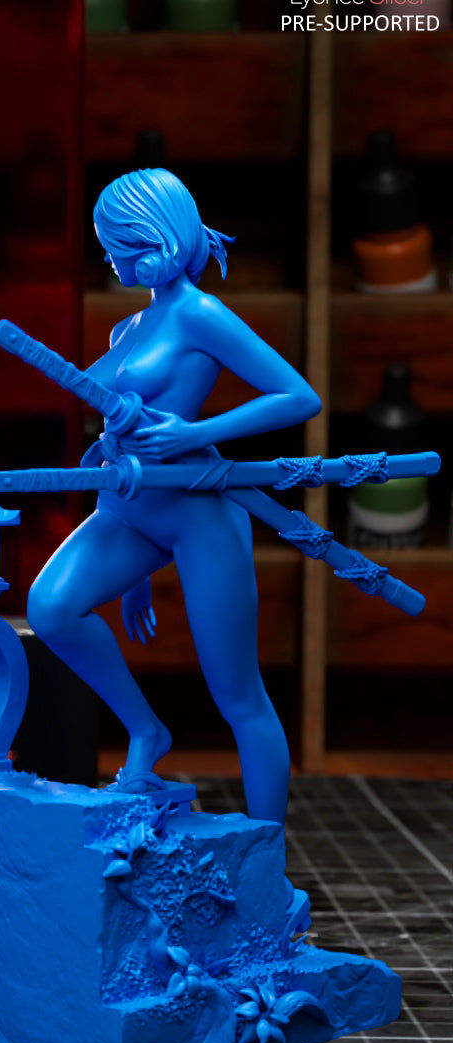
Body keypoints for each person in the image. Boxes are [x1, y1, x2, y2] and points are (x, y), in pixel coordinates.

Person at [26, 169, 321, 825]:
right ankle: (146, 731)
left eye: (117, 244)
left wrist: (196, 432)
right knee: (50, 608)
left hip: (196, 512)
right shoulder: (126, 329)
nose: (108, 259)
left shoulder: (199, 314)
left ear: (153, 237)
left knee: (239, 697)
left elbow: (298, 396)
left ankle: (267, 859)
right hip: (126, 508)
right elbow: (116, 441)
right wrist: (134, 579)